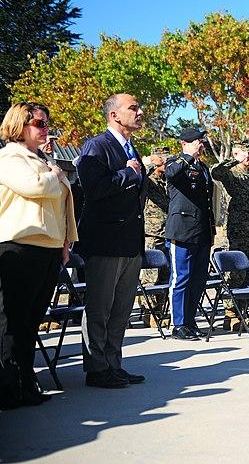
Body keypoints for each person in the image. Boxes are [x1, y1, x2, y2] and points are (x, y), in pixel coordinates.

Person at [0, 103, 78, 405]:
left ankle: (25, 384)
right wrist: (56, 175)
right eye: (38, 123)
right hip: (20, 245)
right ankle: (9, 388)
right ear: (20, 125)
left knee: (32, 321)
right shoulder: (9, 157)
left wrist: (65, 243)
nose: (45, 128)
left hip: (48, 247)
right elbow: (31, 187)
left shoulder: (40, 159)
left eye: (47, 123)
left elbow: (60, 206)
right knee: (12, 322)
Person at [77, 93, 148, 388]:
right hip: (105, 240)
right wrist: (128, 173)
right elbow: (93, 189)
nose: (140, 111)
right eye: (133, 107)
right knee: (100, 307)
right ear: (114, 115)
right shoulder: (97, 146)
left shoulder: (132, 149)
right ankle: (97, 368)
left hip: (129, 240)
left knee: (121, 308)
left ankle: (113, 363)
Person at [165, 128, 215, 340]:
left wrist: (211, 230)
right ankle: (178, 324)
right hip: (183, 229)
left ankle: (190, 321)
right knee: (181, 278)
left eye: (201, 141)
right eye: (196, 141)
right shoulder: (175, 162)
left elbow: (207, 201)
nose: (200, 145)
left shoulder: (202, 167)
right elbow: (171, 174)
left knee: (198, 279)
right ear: (185, 143)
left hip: (201, 230)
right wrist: (188, 156)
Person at [211, 139, 249, 288]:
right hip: (236, 233)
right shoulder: (231, 174)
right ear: (236, 153)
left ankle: (243, 307)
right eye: (248, 154)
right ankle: (231, 310)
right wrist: (234, 161)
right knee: (234, 274)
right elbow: (215, 172)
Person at [139, 146, 170, 328]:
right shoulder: (148, 179)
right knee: (151, 275)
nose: (165, 162)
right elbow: (140, 174)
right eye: (162, 159)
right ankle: (147, 312)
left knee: (165, 274)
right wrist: (151, 163)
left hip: (168, 231)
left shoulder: (166, 180)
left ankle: (159, 310)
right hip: (152, 232)